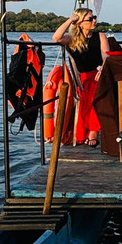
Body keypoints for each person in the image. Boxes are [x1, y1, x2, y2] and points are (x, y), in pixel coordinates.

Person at [51, 8, 109, 146]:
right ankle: (92, 130)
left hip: (99, 73)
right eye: (90, 19)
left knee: (94, 89)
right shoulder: (72, 39)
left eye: (94, 17)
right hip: (82, 78)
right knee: (89, 91)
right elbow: (56, 38)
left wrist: (103, 68)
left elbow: (106, 56)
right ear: (80, 23)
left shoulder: (100, 36)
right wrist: (70, 20)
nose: (94, 21)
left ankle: (93, 131)